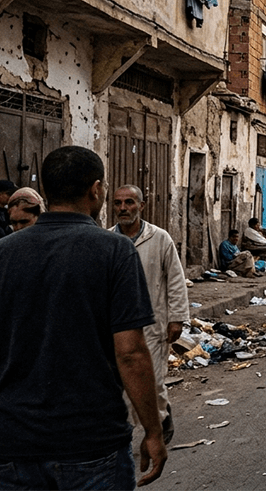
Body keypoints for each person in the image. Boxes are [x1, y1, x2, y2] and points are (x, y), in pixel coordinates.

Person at [0, 146, 166, 488]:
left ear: (46, 191)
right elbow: (130, 352)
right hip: (91, 443)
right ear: (96, 189)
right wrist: (153, 430)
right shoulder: (114, 250)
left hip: (13, 444)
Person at [111, 184, 188, 445]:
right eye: (118, 203)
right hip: (118, 327)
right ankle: (126, 432)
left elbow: (175, 279)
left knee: (152, 380)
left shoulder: (160, 238)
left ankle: (161, 420)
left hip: (153, 325)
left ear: (141, 206)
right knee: (122, 383)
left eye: (129, 202)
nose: (123, 208)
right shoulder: (107, 240)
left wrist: (177, 318)